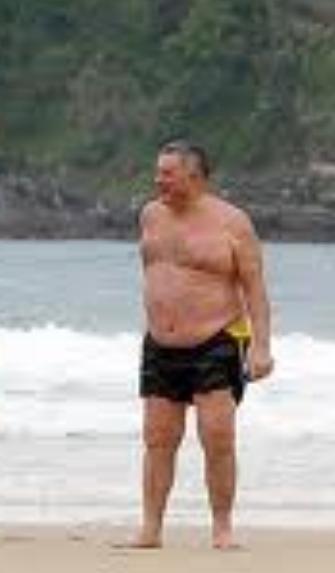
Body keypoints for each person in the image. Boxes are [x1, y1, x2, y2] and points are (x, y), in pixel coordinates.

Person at [123, 140, 273, 550]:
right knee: (158, 438)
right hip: (160, 342)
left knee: (217, 437)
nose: (158, 180)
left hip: (217, 339)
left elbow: (255, 289)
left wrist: (261, 346)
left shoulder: (233, 223)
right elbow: (159, 275)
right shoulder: (150, 215)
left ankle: (222, 528)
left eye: (167, 174)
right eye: (158, 172)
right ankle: (151, 528)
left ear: (194, 176)